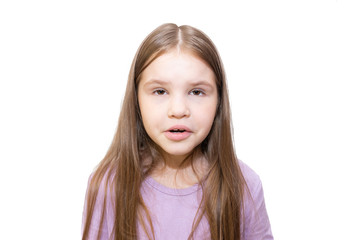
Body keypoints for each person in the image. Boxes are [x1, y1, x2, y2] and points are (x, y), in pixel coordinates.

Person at [82, 23, 273, 240]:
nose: (178, 110)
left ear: (219, 101)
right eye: (160, 91)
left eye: (197, 92)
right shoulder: (108, 184)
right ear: (136, 100)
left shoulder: (244, 185)